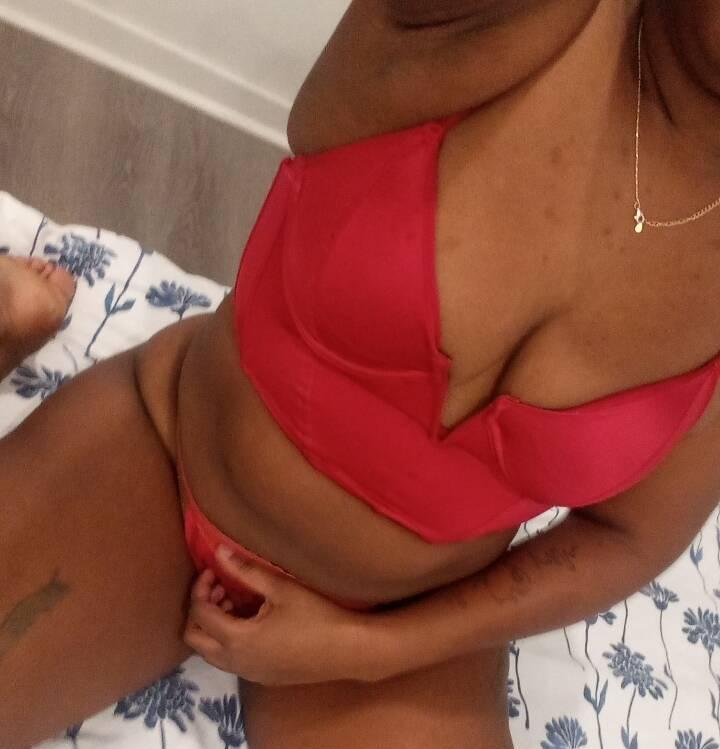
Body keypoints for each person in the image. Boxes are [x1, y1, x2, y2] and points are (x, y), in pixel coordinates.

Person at [2, 1, 720, 747]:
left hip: (402, 617)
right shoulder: (530, 21)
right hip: (172, 457)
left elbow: (630, 535)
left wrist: (373, 650)